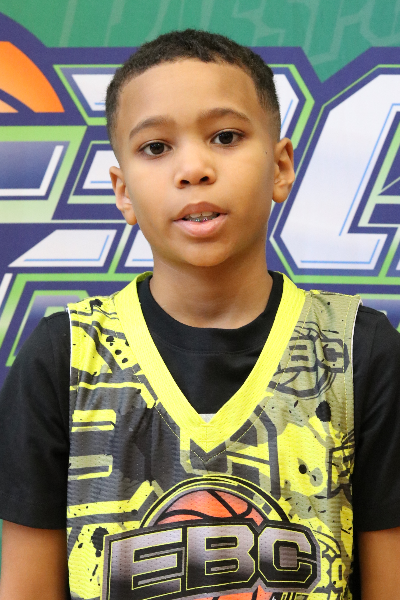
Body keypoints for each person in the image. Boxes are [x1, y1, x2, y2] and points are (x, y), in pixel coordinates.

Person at [0, 29, 400, 600]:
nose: (193, 168)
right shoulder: (64, 356)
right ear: (123, 191)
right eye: (155, 147)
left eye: (225, 136)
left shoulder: (361, 350)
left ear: (281, 167)